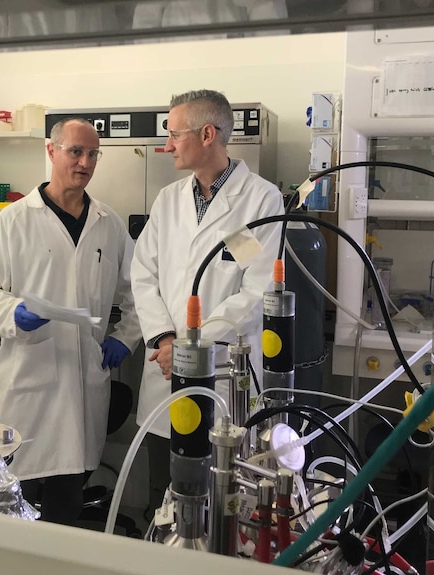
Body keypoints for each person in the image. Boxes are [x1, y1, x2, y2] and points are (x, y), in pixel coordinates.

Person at [0, 118, 142, 526]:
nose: (84, 162)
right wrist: (13, 312)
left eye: (92, 154)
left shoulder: (109, 224)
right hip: (32, 379)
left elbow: (139, 291)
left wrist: (126, 338)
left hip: (86, 379)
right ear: (52, 152)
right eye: (75, 152)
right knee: (16, 493)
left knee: (70, 490)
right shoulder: (15, 220)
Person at [131, 90, 284, 513]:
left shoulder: (259, 200)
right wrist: (165, 341)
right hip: (165, 371)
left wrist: (192, 349)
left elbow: (256, 291)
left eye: (174, 134)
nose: (166, 145)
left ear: (207, 134)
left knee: (220, 503)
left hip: (222, 377)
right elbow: (143, 274)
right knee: (163, 501)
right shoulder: (168, 200)